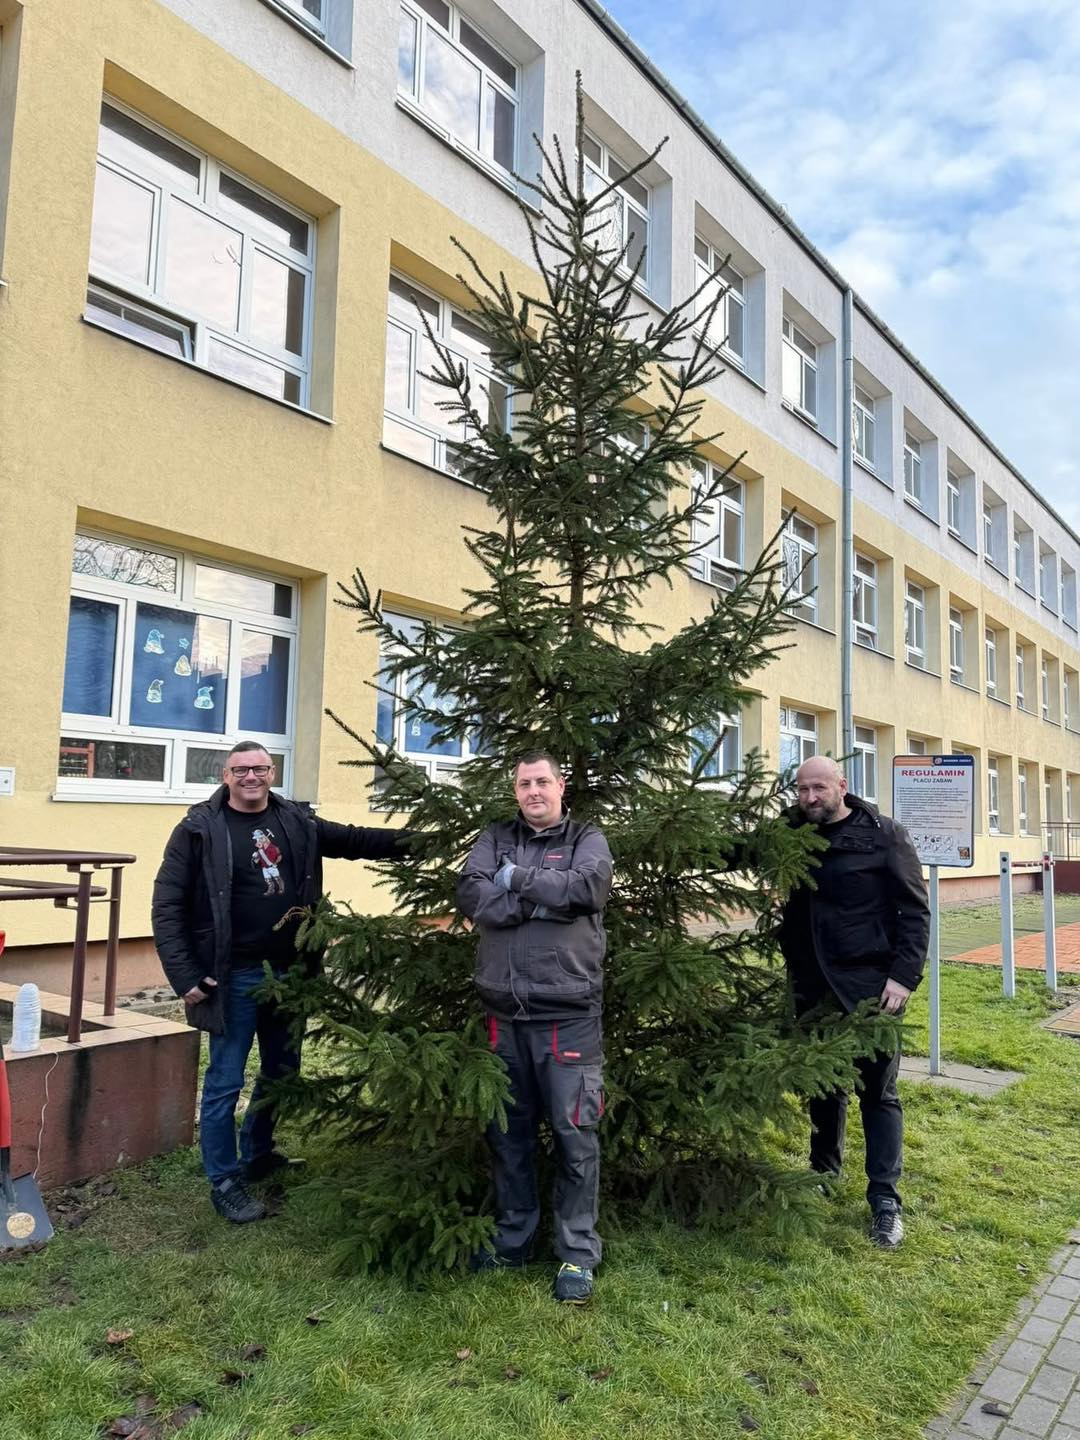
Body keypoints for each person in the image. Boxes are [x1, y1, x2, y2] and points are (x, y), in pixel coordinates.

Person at [152, 739, 413, 1224]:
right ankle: (224, 1180)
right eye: (240, 770)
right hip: (232, 976)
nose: (251, 777)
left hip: (290, 974)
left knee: (282, 1070)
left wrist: (421, 843)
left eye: (260, 769)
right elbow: (167, 905)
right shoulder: (198, 830)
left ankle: (258, 1153)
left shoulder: (295, 819)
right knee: (226, 1080)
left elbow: (354, 840)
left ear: (272, 773)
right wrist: (184, 975)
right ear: (225, 775)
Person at [458, 751, 613, 1304]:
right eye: (524, 783)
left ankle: (576, 1255)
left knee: (575, 1137)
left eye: (542, 781)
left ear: (560, 785)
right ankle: (513, 1238)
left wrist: (518, 879)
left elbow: (586, 892)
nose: (533, 791)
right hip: (504, 1015)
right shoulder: (494, 836)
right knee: (509, 1136)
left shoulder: (587, 838)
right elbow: (474, 895)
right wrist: (540, 902)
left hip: (567, 1016)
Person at [778, 756, 929, 1250]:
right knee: (824, 1088)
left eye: (818, 788)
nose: (809, 798)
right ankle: (823, 1172)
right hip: (813, 986)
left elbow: (915, 912)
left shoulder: (884, 835)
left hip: (872, 990)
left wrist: (903, 978)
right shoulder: (794, 831)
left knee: (878, 1094)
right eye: (802, 789)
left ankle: (885, 1201)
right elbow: (743, 850)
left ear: (842, 786)